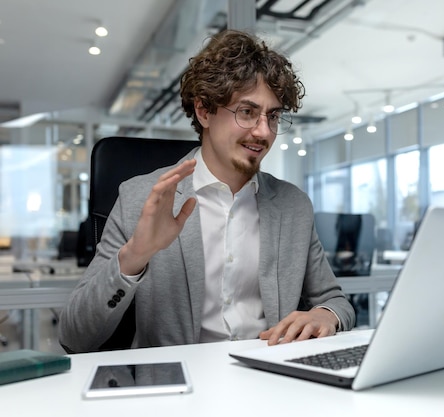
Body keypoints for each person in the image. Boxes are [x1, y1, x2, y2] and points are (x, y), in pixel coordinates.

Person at [58, 30, 356, 353]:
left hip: (272, 385)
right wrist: (134, 257)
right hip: (177, 390)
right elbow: (73, 336)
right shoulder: (140, 199)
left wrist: (325, 315)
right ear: (204, 111)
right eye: (247, 112)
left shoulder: (293, 206)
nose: (264, 131)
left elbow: (335, 301)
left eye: (273, 116)